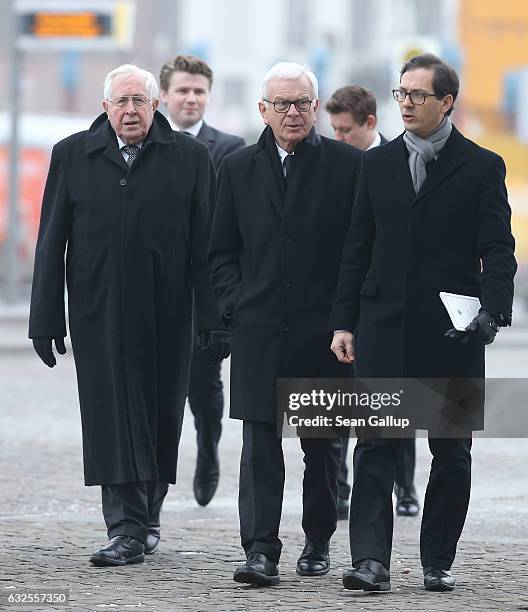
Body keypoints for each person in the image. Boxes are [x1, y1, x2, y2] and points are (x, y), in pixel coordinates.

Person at [29, 64, 229, 567]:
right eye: (122, 102)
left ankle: (147, 515)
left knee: (161, 415)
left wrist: (214, 318)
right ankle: (126, 528)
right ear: (105, 108)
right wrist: (46, 317)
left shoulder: (191, 158)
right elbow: (52, 241)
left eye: (140, 101)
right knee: (111, 417)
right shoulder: (73, 154)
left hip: (168, 312)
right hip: (99, 312)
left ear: (155, 105)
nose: (131, 110)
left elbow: (206, 247)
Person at [330, 54, 516, 592]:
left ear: (447, 102)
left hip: (452, 335)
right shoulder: (376, 165)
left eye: (418, 95)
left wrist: (492, 312)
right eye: (401, 94)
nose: (406, 103)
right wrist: (345, 321)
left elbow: (498, 251)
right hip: (383, 327)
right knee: (375, 446)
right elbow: (356, 249)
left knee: (451, 452)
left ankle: (438, 559)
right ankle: (370, 561)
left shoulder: (482, 166)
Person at [208, 62, 361, 587]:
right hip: (258, 329)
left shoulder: (348, 166)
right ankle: (259, 550)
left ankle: (318, 538)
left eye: (301, 103)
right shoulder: (236, 168)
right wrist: (236, 302)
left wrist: (346, 318)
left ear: (316, 108)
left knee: (321, 448)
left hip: (323, 333)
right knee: (259, 447)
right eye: (281, 104)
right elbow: (221, 250)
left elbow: (357, 253)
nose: (291, 113)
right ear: (263, 110)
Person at [325, 84, 419, 520]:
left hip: (393, 302)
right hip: (348, 298)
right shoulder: (336, 164)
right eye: (334, 130)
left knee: (398, 402)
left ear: (369, 124)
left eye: (346, 131)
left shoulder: (395, 161)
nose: (339, 138)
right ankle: (343, 488)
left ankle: (405, 485)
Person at [159, 55, 246, 507]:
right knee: (157, 394)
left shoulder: (229, 149)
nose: (191, 98)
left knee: (203, 385)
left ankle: (208, 448)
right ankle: (155, 482)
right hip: (157, 289)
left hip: (205, 293)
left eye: (198, 92)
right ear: (165, 96)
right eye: (183, 91)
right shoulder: (146, 144)